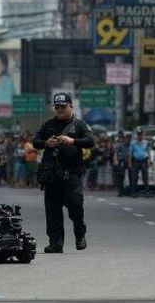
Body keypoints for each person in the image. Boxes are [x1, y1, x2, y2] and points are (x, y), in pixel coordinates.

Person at [33, 92, 95, 253]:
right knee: (53, 210)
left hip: (72, 173)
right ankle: (56, 242)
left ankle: (79, 234)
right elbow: (35, 142)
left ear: (71, 106)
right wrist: (46, 143)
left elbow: (90, 141)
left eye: (63, 107)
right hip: (52, 174)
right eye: (57, 107)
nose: (60, 110)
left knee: (75, 204)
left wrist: (72, 141)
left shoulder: (79, 125)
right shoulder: (48, 125)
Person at [129, 128, 151, 198]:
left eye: (141, 134)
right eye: (138, 135)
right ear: (137, 135)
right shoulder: (133, 143)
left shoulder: (145, 142)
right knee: (134, 177)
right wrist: (129, 162)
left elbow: (148, 152)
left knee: (145, 177)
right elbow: (130, 153)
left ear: (142, 135)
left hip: (144, 160)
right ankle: (134, 192)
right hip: (136, 161)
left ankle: (146, 192)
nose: (139, 136)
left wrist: (149, 160)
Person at [113, 132, 130, 196]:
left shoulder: (131, 145)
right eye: (126, 138)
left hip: (129, 162)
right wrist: (116, 160)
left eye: (128, 138)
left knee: (130, 177)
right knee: (121, 177)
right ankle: (120, 192)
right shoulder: (120, 145)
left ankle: (130, 191)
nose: (127, 140)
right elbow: (116, 153)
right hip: (122, 162)